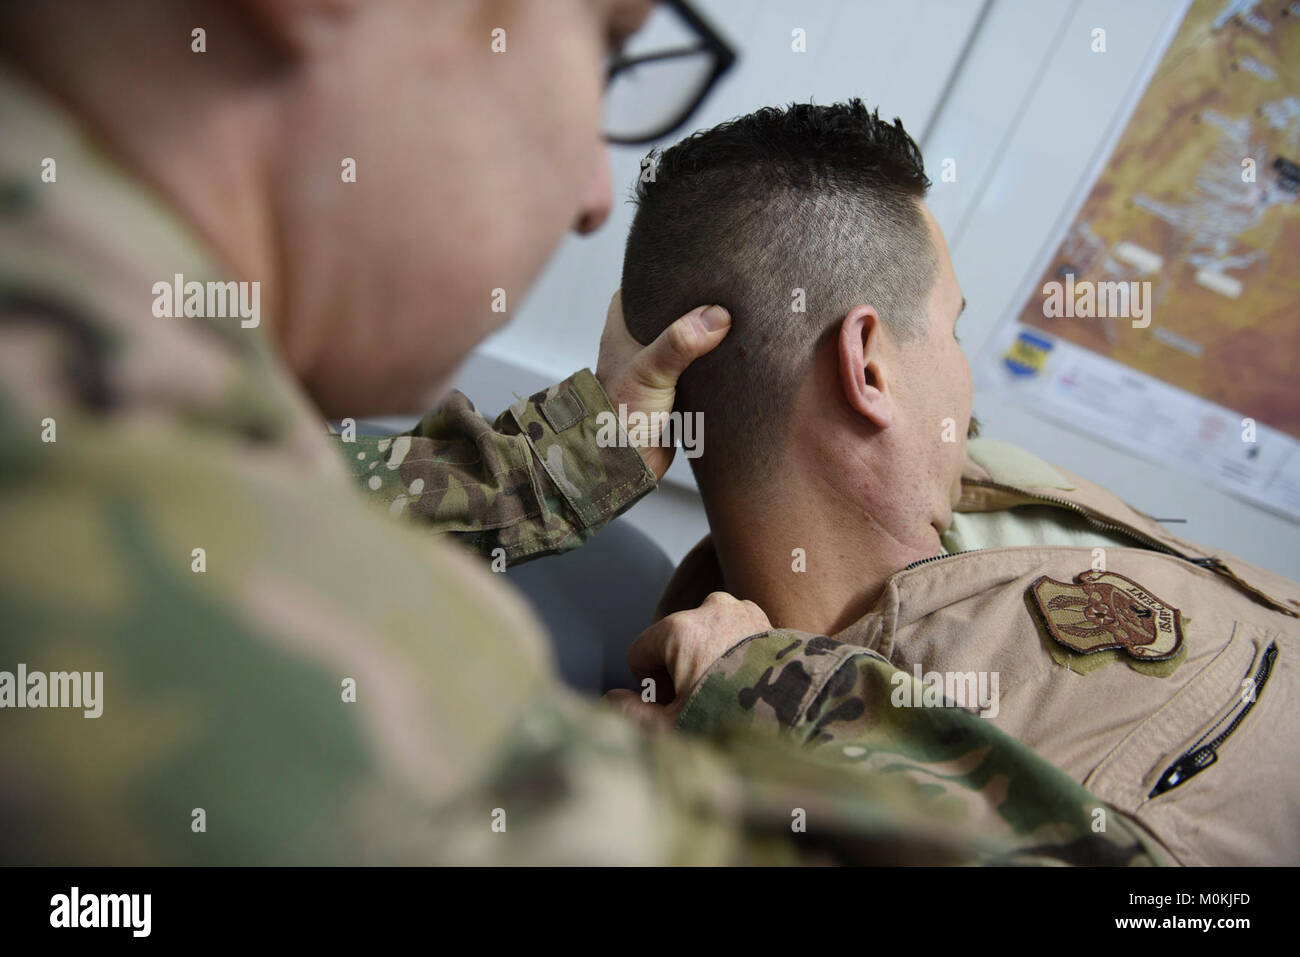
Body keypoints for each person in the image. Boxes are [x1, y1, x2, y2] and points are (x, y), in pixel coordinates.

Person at [0, 0, 1162, 865]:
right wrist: (759, 688)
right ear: (866, 360)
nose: (592, 192)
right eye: (607, 50)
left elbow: (315, 485)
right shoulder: (169, 566)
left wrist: (581, 449)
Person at [619, 99, 1300, 866]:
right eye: (954, 329)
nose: (966, 380)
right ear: (870, 364)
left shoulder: (989, 485)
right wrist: (774, 699)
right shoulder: (795, 804)